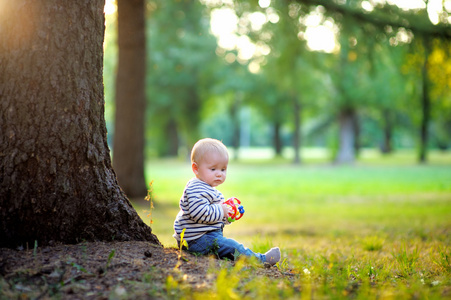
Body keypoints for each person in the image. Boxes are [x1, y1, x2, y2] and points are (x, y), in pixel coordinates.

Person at [173, 138, 281, 266]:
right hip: (196, 240)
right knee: (233, 247)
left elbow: (212, 219)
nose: (219, 174)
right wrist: (221, 210)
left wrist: (227, 215)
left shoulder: (211, 190)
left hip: (205, 236)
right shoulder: (195, 188)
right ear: (196, 169)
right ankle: (260, 260)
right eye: (213, 169)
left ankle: (244, 259)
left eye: (223, 169)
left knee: (228, 248)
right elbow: (199, 213)